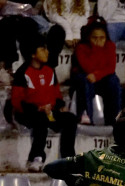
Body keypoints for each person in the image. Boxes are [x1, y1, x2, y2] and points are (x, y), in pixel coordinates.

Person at [11, 38, 77, 172]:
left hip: (49, 113)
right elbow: (17, 102)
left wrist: (59, 106)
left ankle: (68, 159)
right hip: (29, 113)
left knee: (70, 119)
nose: (47, 52)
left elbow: (57, 95)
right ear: (32, 54)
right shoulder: (22, 72)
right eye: (42, 49)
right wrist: (37, 108)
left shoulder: (50, 70)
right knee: (40, 119)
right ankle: (36, 158)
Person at [71, 19, 121, 125]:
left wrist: (97, 75)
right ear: (89, 37)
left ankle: (113, 119)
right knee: (85, 80)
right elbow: (88, 67)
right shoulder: (81, 47)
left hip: (100, 78)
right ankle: (87, 116)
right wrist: (96, 49)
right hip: (84, 76)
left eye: (102, 38)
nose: (98, 41)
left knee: (113, 80)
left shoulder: (110, 45)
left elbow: (111, 68)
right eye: (95, 38)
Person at [0, 0, 43, 85]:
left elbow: (37, 6)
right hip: (2, 17)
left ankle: (33, 68)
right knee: (7, 25)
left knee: (29, 26)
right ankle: (2, 69)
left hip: (26, 17)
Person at [42, 0, 90, 68]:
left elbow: (84, 16)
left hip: (77, 27)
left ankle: (84, 68)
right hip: (59, 26)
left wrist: (76, 32)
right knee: (57, 31)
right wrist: (68, 34)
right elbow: (54, 17)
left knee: (88, 31)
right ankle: (50, 68)